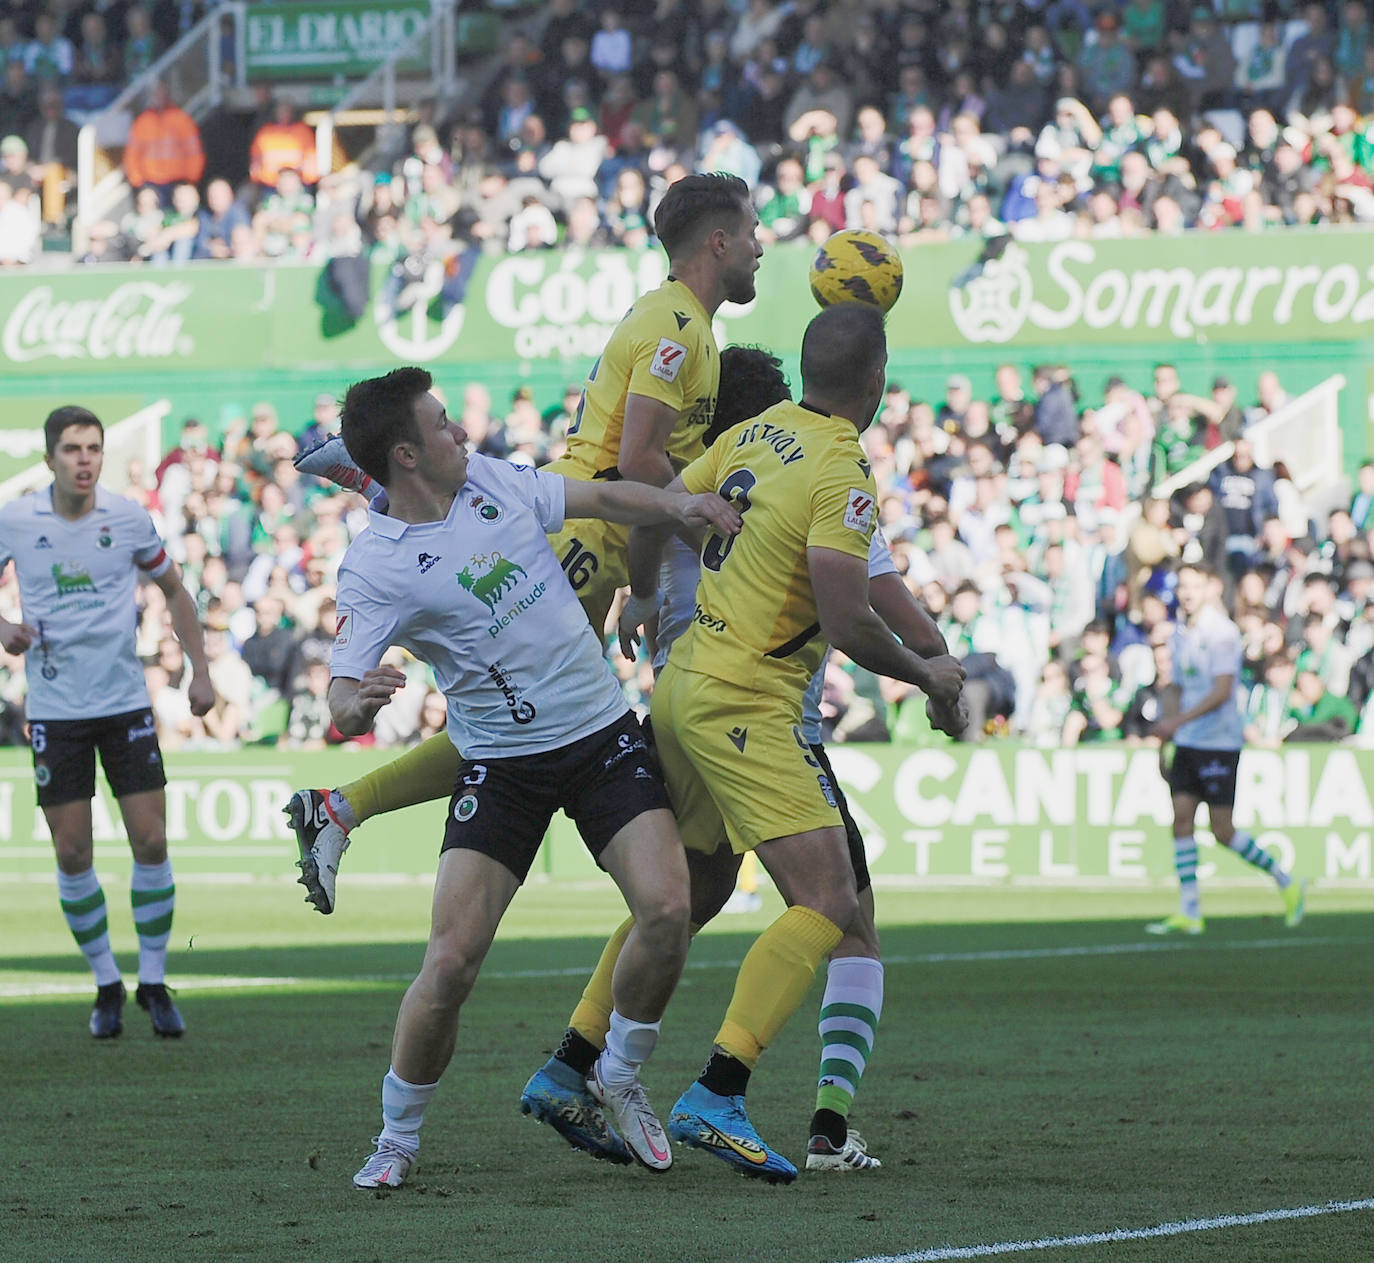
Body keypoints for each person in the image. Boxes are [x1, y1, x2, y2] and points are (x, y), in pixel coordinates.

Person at [524, 344, 966, 1176]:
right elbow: (862, 604)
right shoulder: (831, 473)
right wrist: (934, 673)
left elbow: (652, 510)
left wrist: (645, 597)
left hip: (683, 689)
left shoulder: (739, 449)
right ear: (870, 387)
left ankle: (572, 1060)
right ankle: (756, 1100)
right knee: (838, 911)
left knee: (689, 893)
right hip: (758, 708)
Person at [285, 173, 762, 906]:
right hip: (585, 529)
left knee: (532, 705)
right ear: (719, 241)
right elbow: (636, 465)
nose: (763, 246)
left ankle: (340, 805)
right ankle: (343, 805)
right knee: (525, 703)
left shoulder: (683, 320)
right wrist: (669, 558)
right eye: (754, 231)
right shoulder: (677, 328)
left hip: (603, 528)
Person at [323, 367, 741, 1188]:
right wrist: (359, 702)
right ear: (406, 454)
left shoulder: (493, 480)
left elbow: (605, 501)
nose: (461, 434)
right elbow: (340, 695)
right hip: (502, 766)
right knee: (449, 966)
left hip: (599, 736)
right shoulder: (377, 565)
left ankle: (617, 1071)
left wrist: (678, 505)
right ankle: (397, 1138)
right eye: (443, 425)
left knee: (667, 905)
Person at [0, 406, 214, 1038]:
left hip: (124, 703)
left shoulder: (125, 517)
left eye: (93, 447)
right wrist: (5, 628)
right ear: (49, 460)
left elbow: (175, 589)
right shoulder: (16, 519)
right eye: (72, 449)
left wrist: (199, 671)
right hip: (57, 710)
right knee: (73, 852)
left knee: (150, 843)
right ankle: (104, 985)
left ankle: (152, 982)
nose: (85, 459)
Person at [1148, 562, 1306, 935]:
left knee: (1222, 829)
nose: (1187, 593)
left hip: (1218, 740)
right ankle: (1190, 910)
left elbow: (1222, 693)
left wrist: (1177, 722)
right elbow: (1176, 688)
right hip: (1187, 740)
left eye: (1194, 586)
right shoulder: (1180, 633)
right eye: (1182, 586)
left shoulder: (1221, 633)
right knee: (1181, 818)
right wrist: (1166, 736)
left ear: (1210, 588)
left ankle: (1285, 879)